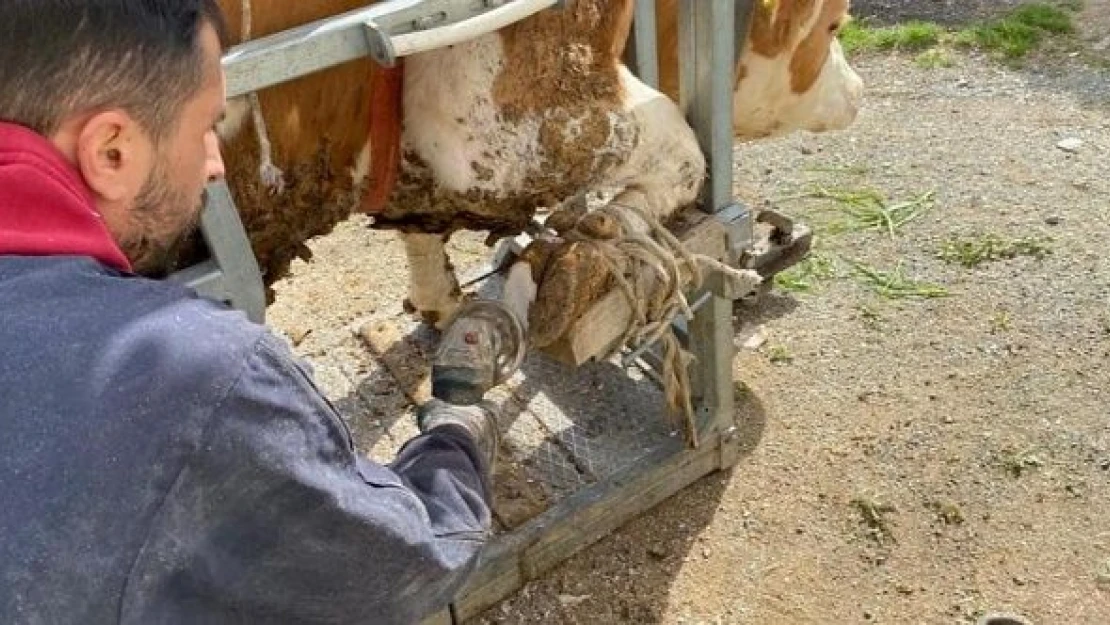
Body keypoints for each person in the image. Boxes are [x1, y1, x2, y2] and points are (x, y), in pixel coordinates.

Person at [0, 2, 503, 623]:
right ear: (111, 152)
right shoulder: (186, 374)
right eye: (207, 126)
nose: (214, 162)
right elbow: (402, 564)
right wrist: (456, 435)